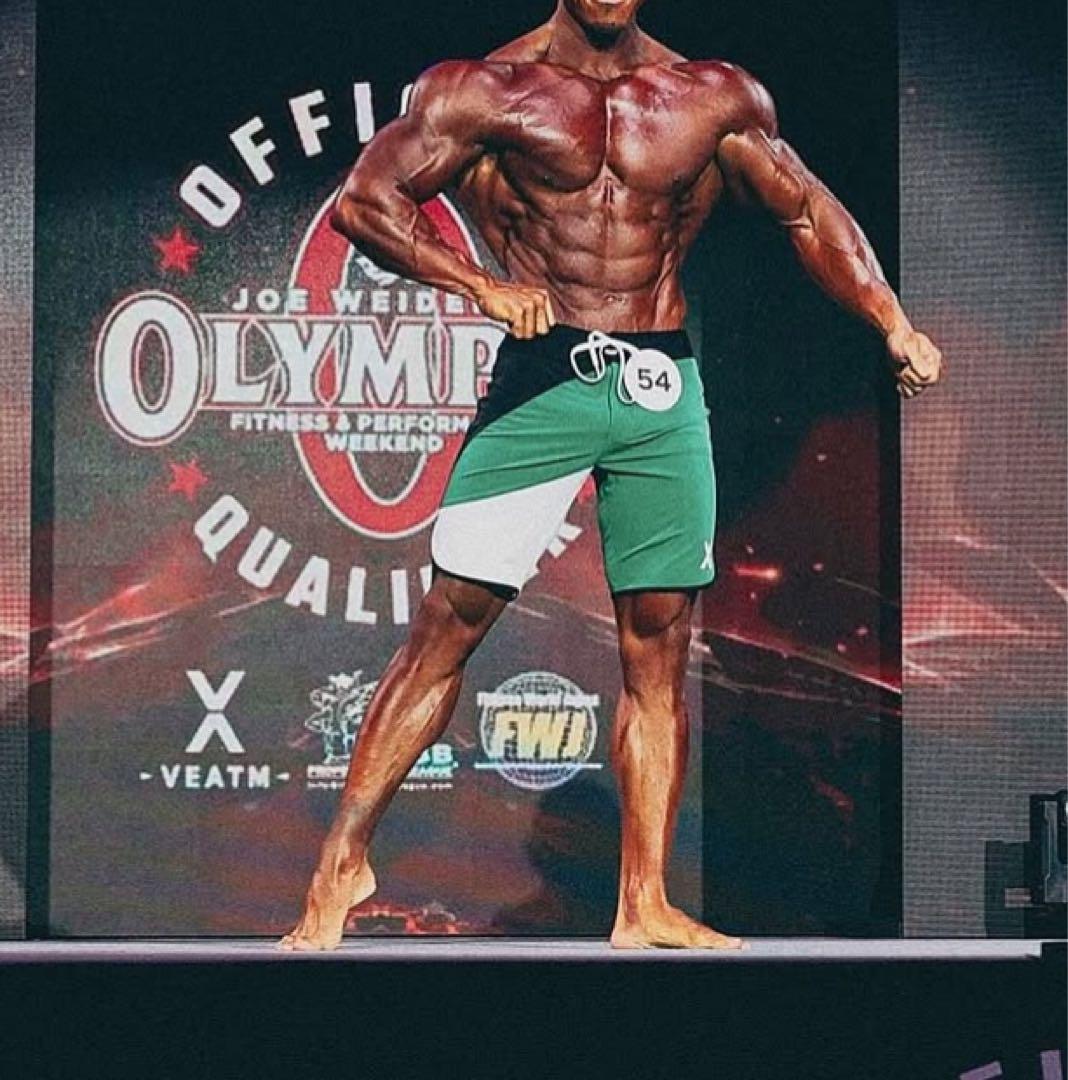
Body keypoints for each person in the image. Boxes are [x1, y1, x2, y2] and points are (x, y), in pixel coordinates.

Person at [279, 0, 943, 951]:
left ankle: (644, 902)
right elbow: (364, 202)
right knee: (449, 623)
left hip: (661, 381)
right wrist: (482, 286)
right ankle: (342, 861)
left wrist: (890, 320)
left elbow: (805, 208)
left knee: (659, 644)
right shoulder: (484, 89)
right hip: (545, 378)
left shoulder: (711, 97)